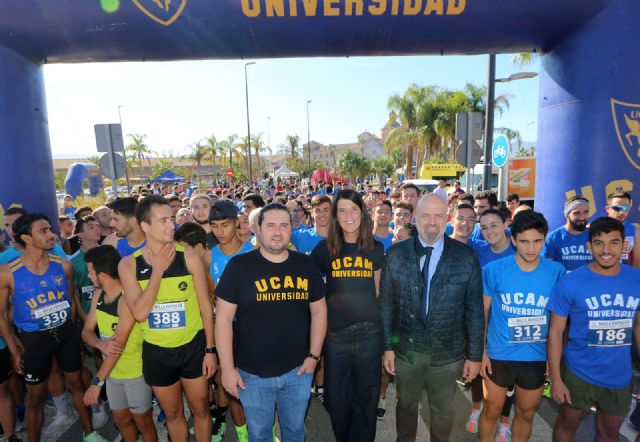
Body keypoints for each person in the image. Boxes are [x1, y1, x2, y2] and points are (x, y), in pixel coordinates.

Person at [215, 203, 327, 442]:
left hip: (298, 370)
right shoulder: (239, 266)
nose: (278, 232)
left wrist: (314, 357)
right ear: (258, 229)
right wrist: (226, 369)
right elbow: (223, 320)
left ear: (291, 228)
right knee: (259, 434)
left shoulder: (305, 265)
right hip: (252, 374)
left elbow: (319, 312)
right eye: (271, 226)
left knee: (295, 431)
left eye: (284, 225)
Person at [380, 194, 483, 442]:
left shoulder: (465, 257)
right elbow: (386, 304)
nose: (432, 222)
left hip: (448, 354)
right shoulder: (395, 254)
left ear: (447, 218)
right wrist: (388, 347)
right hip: (406, 351)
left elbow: (474, 310)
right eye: (426, 215)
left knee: (443, 411)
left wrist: (475, 355)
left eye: (439, 215)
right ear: (415, 217)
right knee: (405, 407)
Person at [0, 214, 107, 442]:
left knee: (76, 384)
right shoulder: (7, 272)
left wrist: (70, 332)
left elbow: (71, 301)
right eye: (43, 231)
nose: (52, 234)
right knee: (35, 397)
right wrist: (14, 349)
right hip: (34, 340)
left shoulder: (64, 266)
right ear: (27, 238)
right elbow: (1, 315)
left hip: (65, 334)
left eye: (50, 229)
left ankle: (90, 434)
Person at [118, 195, 217, 442]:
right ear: (145, 225)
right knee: (173, 414)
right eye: (162, 220)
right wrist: (158, 270)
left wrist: (210, 349)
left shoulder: (189, 256)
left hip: (193, 347)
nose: (170, 225)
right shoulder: (129, 265)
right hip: (157, 352)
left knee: (201, 410)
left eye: (171, 219)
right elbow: (140, 313)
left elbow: (206, 306)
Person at [547, 217, 640, 442]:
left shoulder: (636, 280)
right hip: (578, 373)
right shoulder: (571, 282)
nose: (606, 250)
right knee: (567, 425)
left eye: (614, 242)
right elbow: (556, 333)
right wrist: (556, 379)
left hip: (619, 374)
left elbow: (639, 326)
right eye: (599, 243)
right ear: (589, 246)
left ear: (624, 245)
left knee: (609, 431)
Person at [478, 211, 564, 442]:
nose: (531, 248)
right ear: (514, 240)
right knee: (491, 410)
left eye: (537, 241)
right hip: (498, 354)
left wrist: (552, 359)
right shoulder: (494, 270)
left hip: (534, 357)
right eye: (524, 241)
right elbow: (483, 312)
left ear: (544, 239)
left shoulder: (556, 272)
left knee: (526, 414)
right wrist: (482, 351)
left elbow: (559, 322)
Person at [311, 189, 385, 442]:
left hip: (369, 335)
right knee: (338, 399)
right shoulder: (324, 249)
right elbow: (313, 293)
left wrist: (387, 341)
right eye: (341, 210)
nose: (348, 215)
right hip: (336, 336)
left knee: (367, 398)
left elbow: (378, 293)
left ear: (362, 213)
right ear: (335, 216)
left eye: (353, 209)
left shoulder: (375, 248)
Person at [81, 245, 157, 442]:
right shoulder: (99, 295)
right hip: (112, 373)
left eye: (90, 272)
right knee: (120, 419)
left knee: (143, 422)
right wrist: (100, 344)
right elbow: (86, 331)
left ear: (103, 275)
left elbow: (117, 347)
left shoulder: (126, 299)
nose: (89, 277)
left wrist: (97, 382)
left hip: (135, 373)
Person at [205, 200, 253, 442]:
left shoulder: (253, 252)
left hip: (252, 331)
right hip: (224, 330)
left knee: (256, 386)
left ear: (236, 223)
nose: (219, 231)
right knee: (232, 386)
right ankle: (243, 435)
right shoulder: (208, 256)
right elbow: (211, 298)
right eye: (214, 226)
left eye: (225, 225)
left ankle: (264, 430)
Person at [544, 196, 593, 271]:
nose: (582, 217)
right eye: (576, 213)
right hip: (563, 282)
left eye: (585, 212)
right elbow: (547, 269)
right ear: (567, 214)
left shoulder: (595, 235)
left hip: (591, 282)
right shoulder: (553, 238)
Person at [605, 191, 640, 267]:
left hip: (626, 277)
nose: (621, 212)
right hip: (602, 277)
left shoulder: (634, 231)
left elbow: (637, 264)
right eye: (617, 208)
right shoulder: (596, 229)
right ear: (607, 209)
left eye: (625, 208)